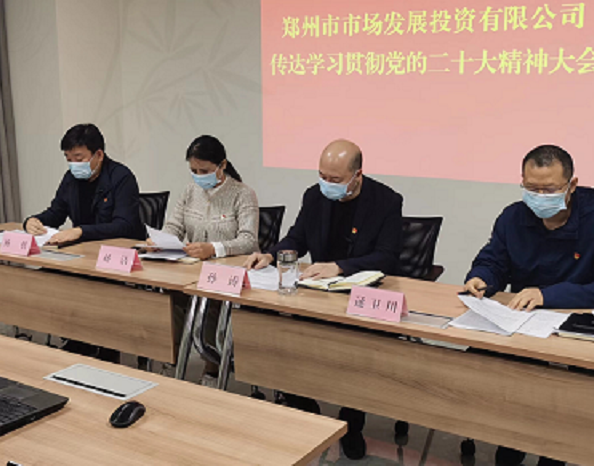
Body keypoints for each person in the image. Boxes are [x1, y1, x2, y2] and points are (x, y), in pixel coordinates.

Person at [463, 144, 594, 466]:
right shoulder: (513, 217)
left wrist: (546, 295)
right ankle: (509, 443)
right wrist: (482, 277)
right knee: (480, 367)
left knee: (566, 395)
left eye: (550, 189)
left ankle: (554, 453)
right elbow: (494, 260)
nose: (540, 197)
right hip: (523, 326)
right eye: (532, 188)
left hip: (577, 331)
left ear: (572, 185)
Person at [244, 139, 403, 460]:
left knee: (356, 354)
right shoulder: (314, 196)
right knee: (286, 336)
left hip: (360, 294)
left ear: (357, 175)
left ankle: (352, 423)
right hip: (317, 292)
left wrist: (340, 267)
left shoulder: (386, 201)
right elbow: (297, 238)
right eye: (322, 176)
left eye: (335, 179)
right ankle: (305, 406)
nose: (326, 184)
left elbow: (387, 256)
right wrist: (270, 255)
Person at [151, 135, 259, 378]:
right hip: (191, 270)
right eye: (194, 171)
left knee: (210, 303)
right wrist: (160, 240)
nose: (199, 176)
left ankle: (212, 369)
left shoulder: (242, 194)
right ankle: (172, 361)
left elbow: (248, 241)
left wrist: (214, 248)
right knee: (170, 297)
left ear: (222, 165)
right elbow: (174, 226)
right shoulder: (190, 191)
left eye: (205, 171)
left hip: (227, 274)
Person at [24, 123, 145, 244]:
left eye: (79, 159)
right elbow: (56, 213)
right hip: (84, 247)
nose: (74, 165)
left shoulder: (121, 177)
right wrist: (33, 221)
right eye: (69, 159)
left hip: (117, 248)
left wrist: (81, 231)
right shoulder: (71, 178)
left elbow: (123, 226)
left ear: (99, 155)